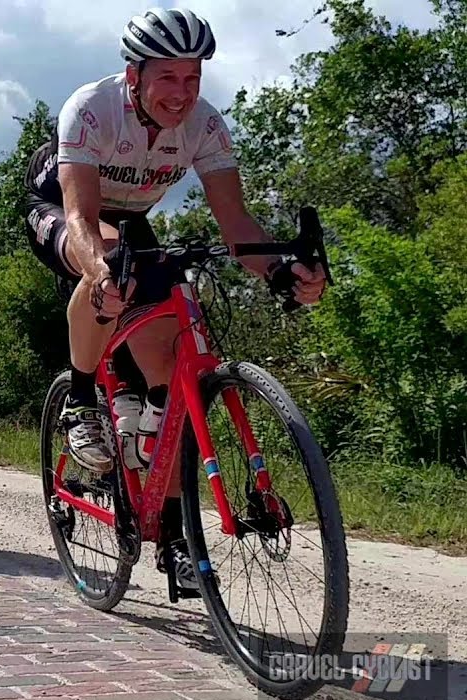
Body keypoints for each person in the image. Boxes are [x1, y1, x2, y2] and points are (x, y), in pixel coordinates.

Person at [21, 8, 327, 591]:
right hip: (61, 210)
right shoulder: (91, 109)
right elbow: (83, 217)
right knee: (111, 264)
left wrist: (282, 270)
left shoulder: (206, 126)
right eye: (168, 78)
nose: (182, 93)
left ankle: (175, 533)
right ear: (134, 76)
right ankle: (82, 399)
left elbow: (237, 225)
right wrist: (101, 268)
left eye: (193, 78)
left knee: (170, 373)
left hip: (131, 220)